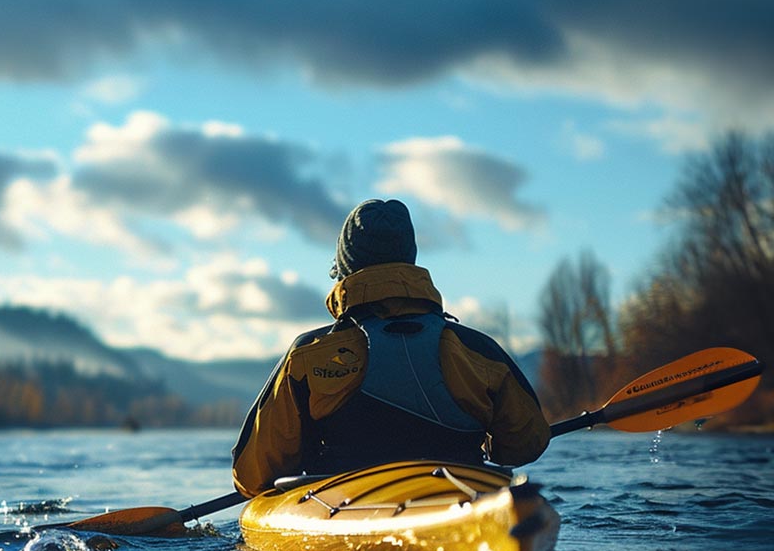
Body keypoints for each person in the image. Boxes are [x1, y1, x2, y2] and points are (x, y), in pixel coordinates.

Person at [231, 198, 549, 497]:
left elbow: (253, 476)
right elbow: (526, 444)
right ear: (409, 258)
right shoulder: (478, 349)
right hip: (459, 494)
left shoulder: (309, 354)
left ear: (344, 269)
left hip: (345, 500)